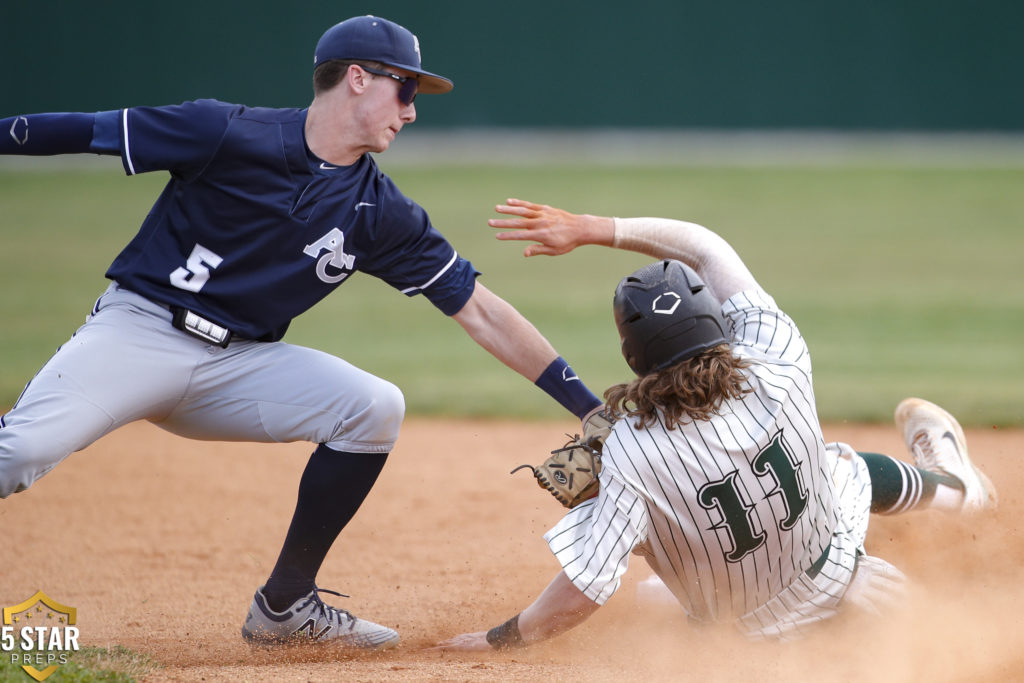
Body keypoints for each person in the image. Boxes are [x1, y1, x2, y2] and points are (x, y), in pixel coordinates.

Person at [0, 20, 606, 650]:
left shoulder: (379, 210)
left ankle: (285, 607)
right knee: (16, 456)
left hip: (240, 366)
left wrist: (591, 409)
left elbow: (481, 311)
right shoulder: (226, 131)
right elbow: (82, 129)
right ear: (358, 78)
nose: (412, 111)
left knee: (372, 407)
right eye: (406, 91)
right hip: (141, 331)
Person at [435, 198, 997, 650]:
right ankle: (961, 489)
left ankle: (960, 487)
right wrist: (594, 227)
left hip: (750, 644)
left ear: (635, 360)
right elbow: (706, 248)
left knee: (656, 571)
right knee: (838, 465)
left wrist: (501, 638)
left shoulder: (633, 452)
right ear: (716, 322)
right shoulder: (778, 357)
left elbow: (583, 590)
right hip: (861, 590)